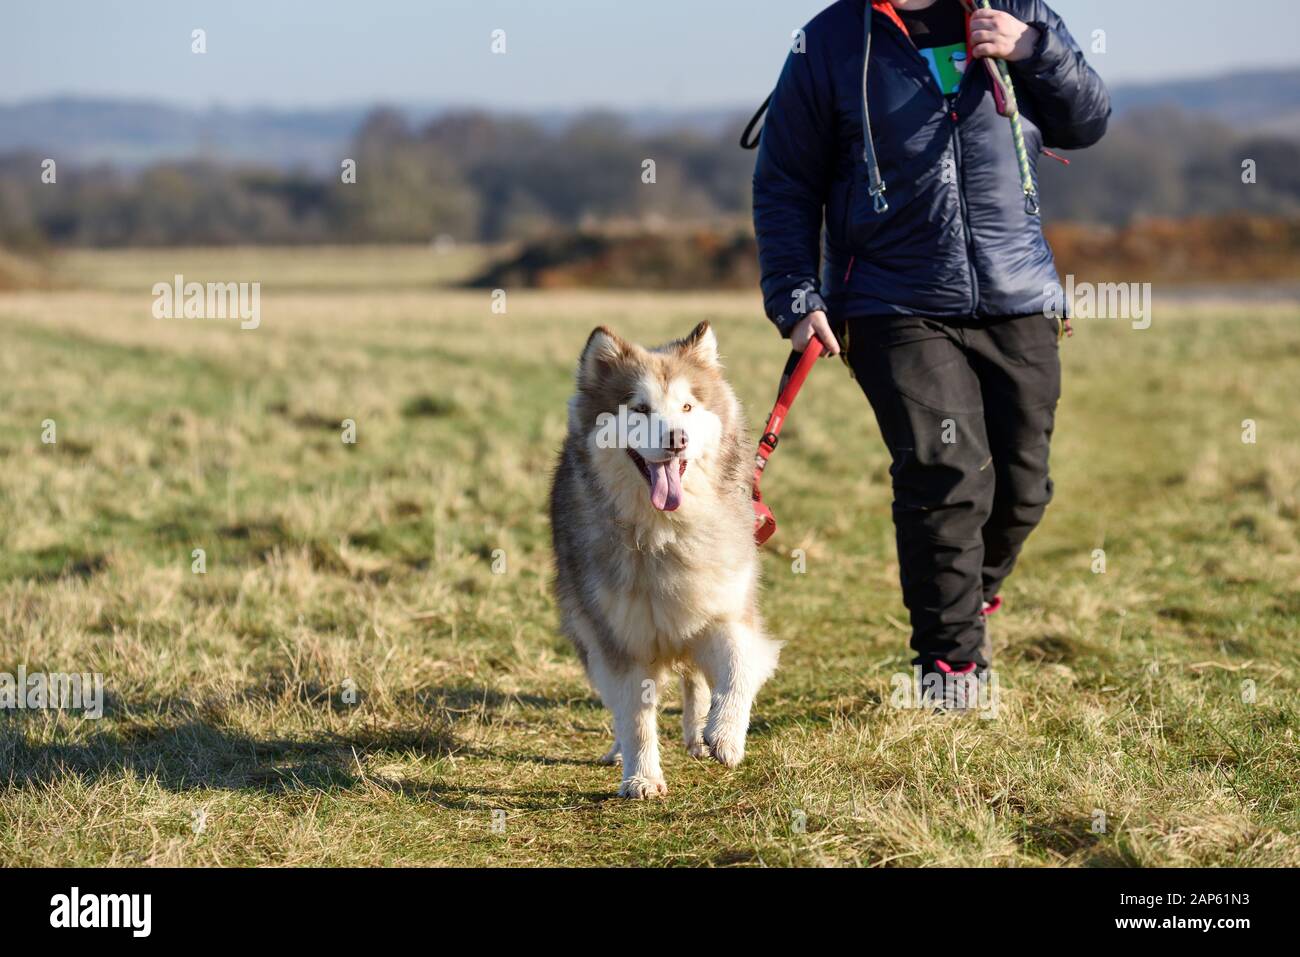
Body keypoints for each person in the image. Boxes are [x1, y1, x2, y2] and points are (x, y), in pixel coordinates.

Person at [752, 0, 1109, 693]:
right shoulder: (826, 42)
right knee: (945, 472)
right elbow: (785, 181)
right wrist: (796, 296)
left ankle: (964, 599)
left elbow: (1087, 120)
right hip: (890, 299)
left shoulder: (1018, 11)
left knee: (1024, 486)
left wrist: (1033, 48)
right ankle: (951, 668)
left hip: (1017, 289)